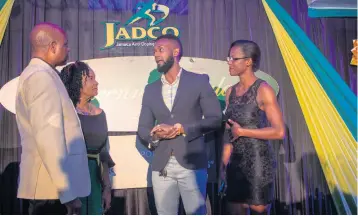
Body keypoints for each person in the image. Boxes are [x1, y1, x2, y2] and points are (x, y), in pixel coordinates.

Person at [137, 34, 222, 215]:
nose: (156, 55)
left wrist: (182, 129)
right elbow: (143, 129)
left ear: (176, 52)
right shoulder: (150, 89)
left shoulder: (199, 81)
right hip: (162, 167)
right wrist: (155, 135)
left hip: (192, 164)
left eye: (161, 50)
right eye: (154, 51)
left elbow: (215, 119)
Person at [15, 23, 90, 214]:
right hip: (49, 193)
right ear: (53, 46)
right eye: (65, 45)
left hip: (49, 190)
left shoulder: (42, 75)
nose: (68, 49)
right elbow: (49, 139)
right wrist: (67, 193)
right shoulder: (41, 78)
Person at [221, 40, 285, 215]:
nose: (229, 62)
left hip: (258, 162)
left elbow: (279, 131)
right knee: (233, 210)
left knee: (258, 210)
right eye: (229, 58)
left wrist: (243, 131)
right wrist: (223, 163)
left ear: (248, 61)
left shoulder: (263, 89)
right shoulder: (230, 92)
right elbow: (229, 133)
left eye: (234, 58)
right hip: (235, 163)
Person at [59, 61, 115, 215]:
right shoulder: (65, 112)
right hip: (71, 179)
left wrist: (107, 188)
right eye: (90, 78)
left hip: (95, 179)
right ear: (76, 82)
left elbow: (104, 153)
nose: (96, 82)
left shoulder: (100, 113)